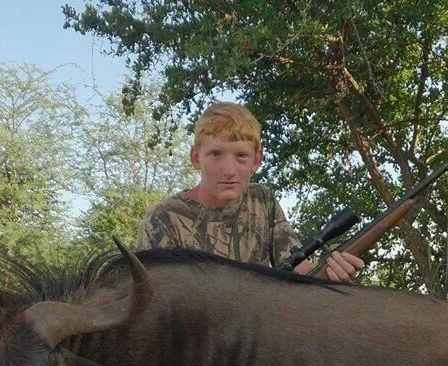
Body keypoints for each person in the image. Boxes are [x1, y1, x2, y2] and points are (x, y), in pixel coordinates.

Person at [136, 102, 363, 282]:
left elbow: (299, 270)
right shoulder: (163, 218)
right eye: (215, 154)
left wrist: (331, 270)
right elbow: (155, 304)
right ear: (196, 158)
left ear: (257, 160)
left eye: (241, 156)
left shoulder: (262, 200)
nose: (229, 170)